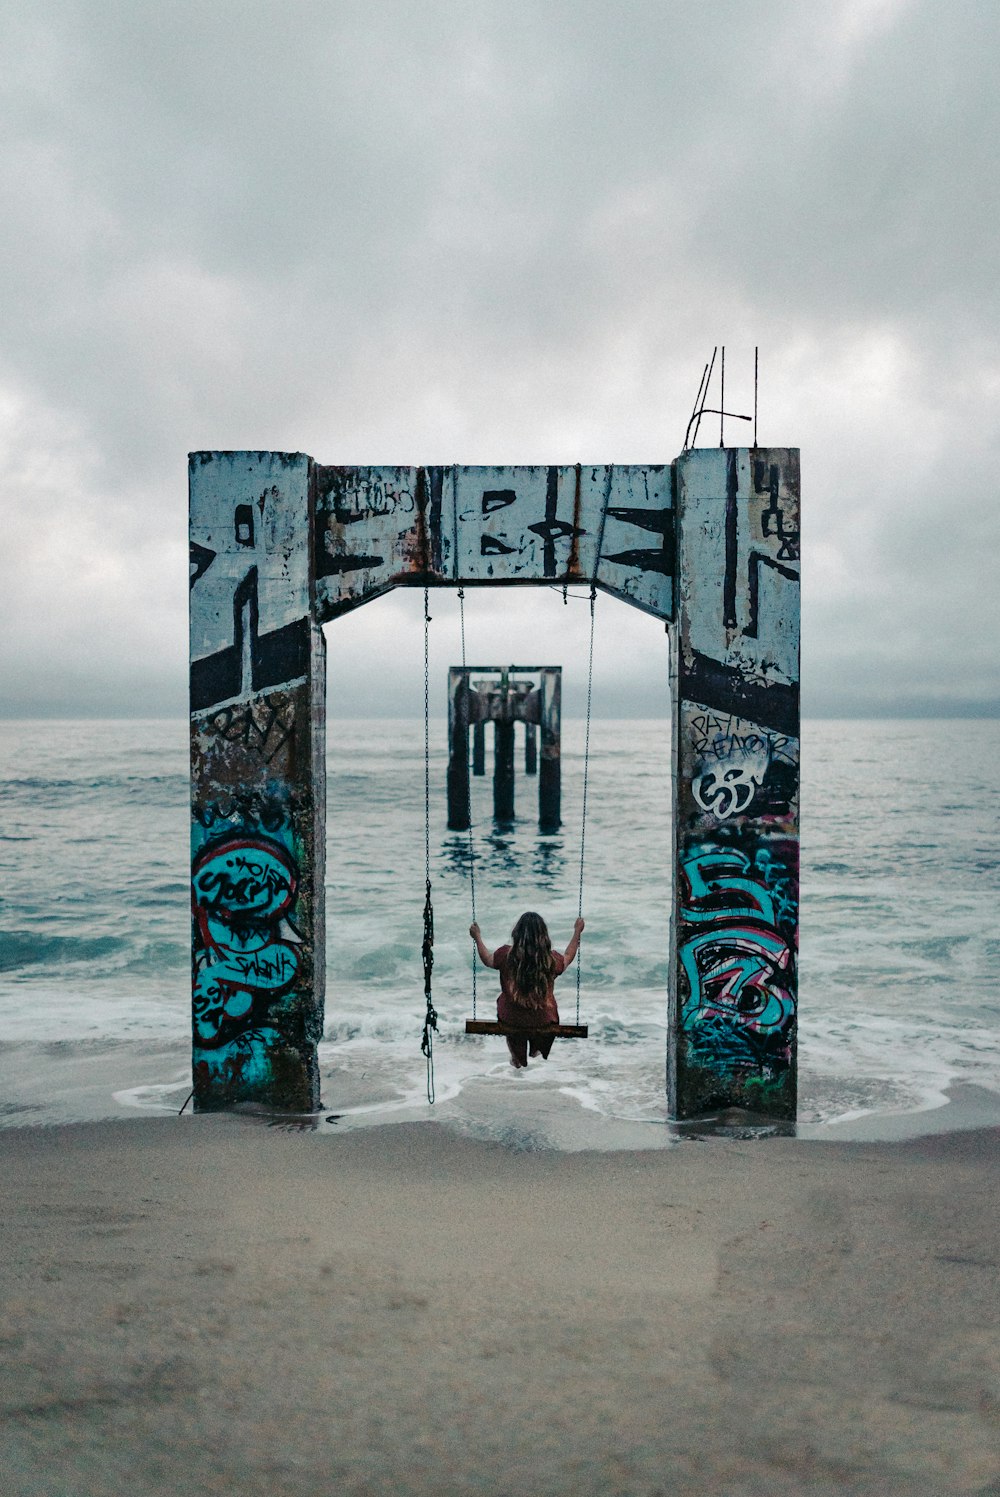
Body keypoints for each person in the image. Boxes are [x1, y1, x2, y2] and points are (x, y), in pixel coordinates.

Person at [469, 911, 585, 1069]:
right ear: (544, 936)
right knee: (546, 1009)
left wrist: (477, 938)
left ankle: (517, 1057)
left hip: (512, 1018)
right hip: (543, 1020)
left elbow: (487, 959)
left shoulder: (506, 955)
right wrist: (577, 931)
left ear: (516, 933)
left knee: (506, 1004)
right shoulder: (550, 960)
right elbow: (568, 956)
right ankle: (537, 1048)